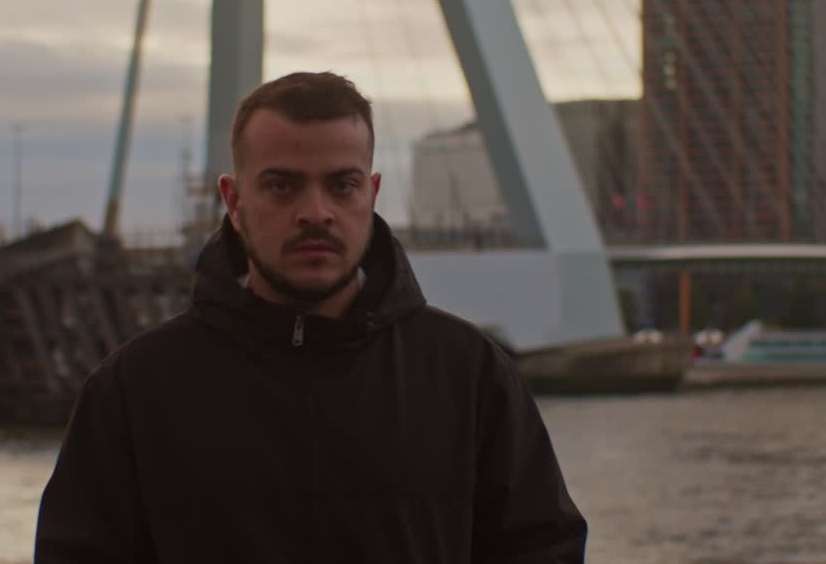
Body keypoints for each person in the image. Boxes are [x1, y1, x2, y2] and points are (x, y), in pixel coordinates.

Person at [35, 71, 587, 562]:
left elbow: (542, 549)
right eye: (282, 185)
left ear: (371, 194)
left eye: (341, 185)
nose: (316, 212)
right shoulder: (135, 391)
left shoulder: (468, 376)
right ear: (233, 200)